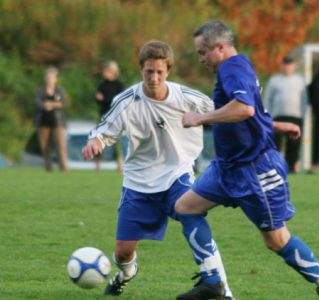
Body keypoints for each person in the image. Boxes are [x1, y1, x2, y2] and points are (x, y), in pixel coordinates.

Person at [174, 20, 319, 300]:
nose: (200, 59)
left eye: (202, 52)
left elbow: (244, 108)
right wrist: (278, 126)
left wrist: (200, 118)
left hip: (255, 169)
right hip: (227, 167)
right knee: (185, 208)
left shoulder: (232, 68)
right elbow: (253, 111)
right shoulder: (238, 66)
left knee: (276, 240)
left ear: (220, 47)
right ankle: (212, 282)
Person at [81, 40, 235, 299]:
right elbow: (103, 131)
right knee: (122, 253)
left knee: (191, 213)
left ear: (168, 72)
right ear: (141, 69)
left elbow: (228, 112)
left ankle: (222, 290)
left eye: (159, 72)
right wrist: (94, 142)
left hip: (178, 174)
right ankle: (127, 273)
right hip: (138, 183)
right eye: (149, 71)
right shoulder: (126, 101)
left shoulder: (187, 98)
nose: (154, 78)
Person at [263, 55, 308, 173]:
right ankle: (275, 167)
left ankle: (291, 167)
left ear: (294, 66)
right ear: (281, 66)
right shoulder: (274, 80)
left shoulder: (300, 80)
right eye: (285, 65)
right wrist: (267, 115)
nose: (287, 68)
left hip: (295, 116)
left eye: (290, 65)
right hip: (278, 116)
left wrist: (303, 115)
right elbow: (268, 99)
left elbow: (304, 100)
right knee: (275, 144)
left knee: (294, 145)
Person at [33, 66, 68, 172]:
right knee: (45, 146)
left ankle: (64, 168)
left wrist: (51, 104)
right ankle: (48, 167)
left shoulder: (59, 90)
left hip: (57, 122)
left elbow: (64, 103)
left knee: (60, 145)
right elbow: (37, 102)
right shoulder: (40, 90)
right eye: (48, 77)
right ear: (45, 78)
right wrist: (45, 105)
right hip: (43, 121)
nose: (50, 79)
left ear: (56, 79)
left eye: (52, 77)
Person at [95, 61, 124, 172]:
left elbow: (117, 101)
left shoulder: (119, 85)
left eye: (106, 71)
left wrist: (104, 100)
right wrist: (104, 100)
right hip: (103, 116)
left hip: (116, 117)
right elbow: (98, 100)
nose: (104, 73)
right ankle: (97, 166)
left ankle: (119, 166)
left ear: (113, 72)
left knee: (117, 143)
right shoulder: (101, 85)